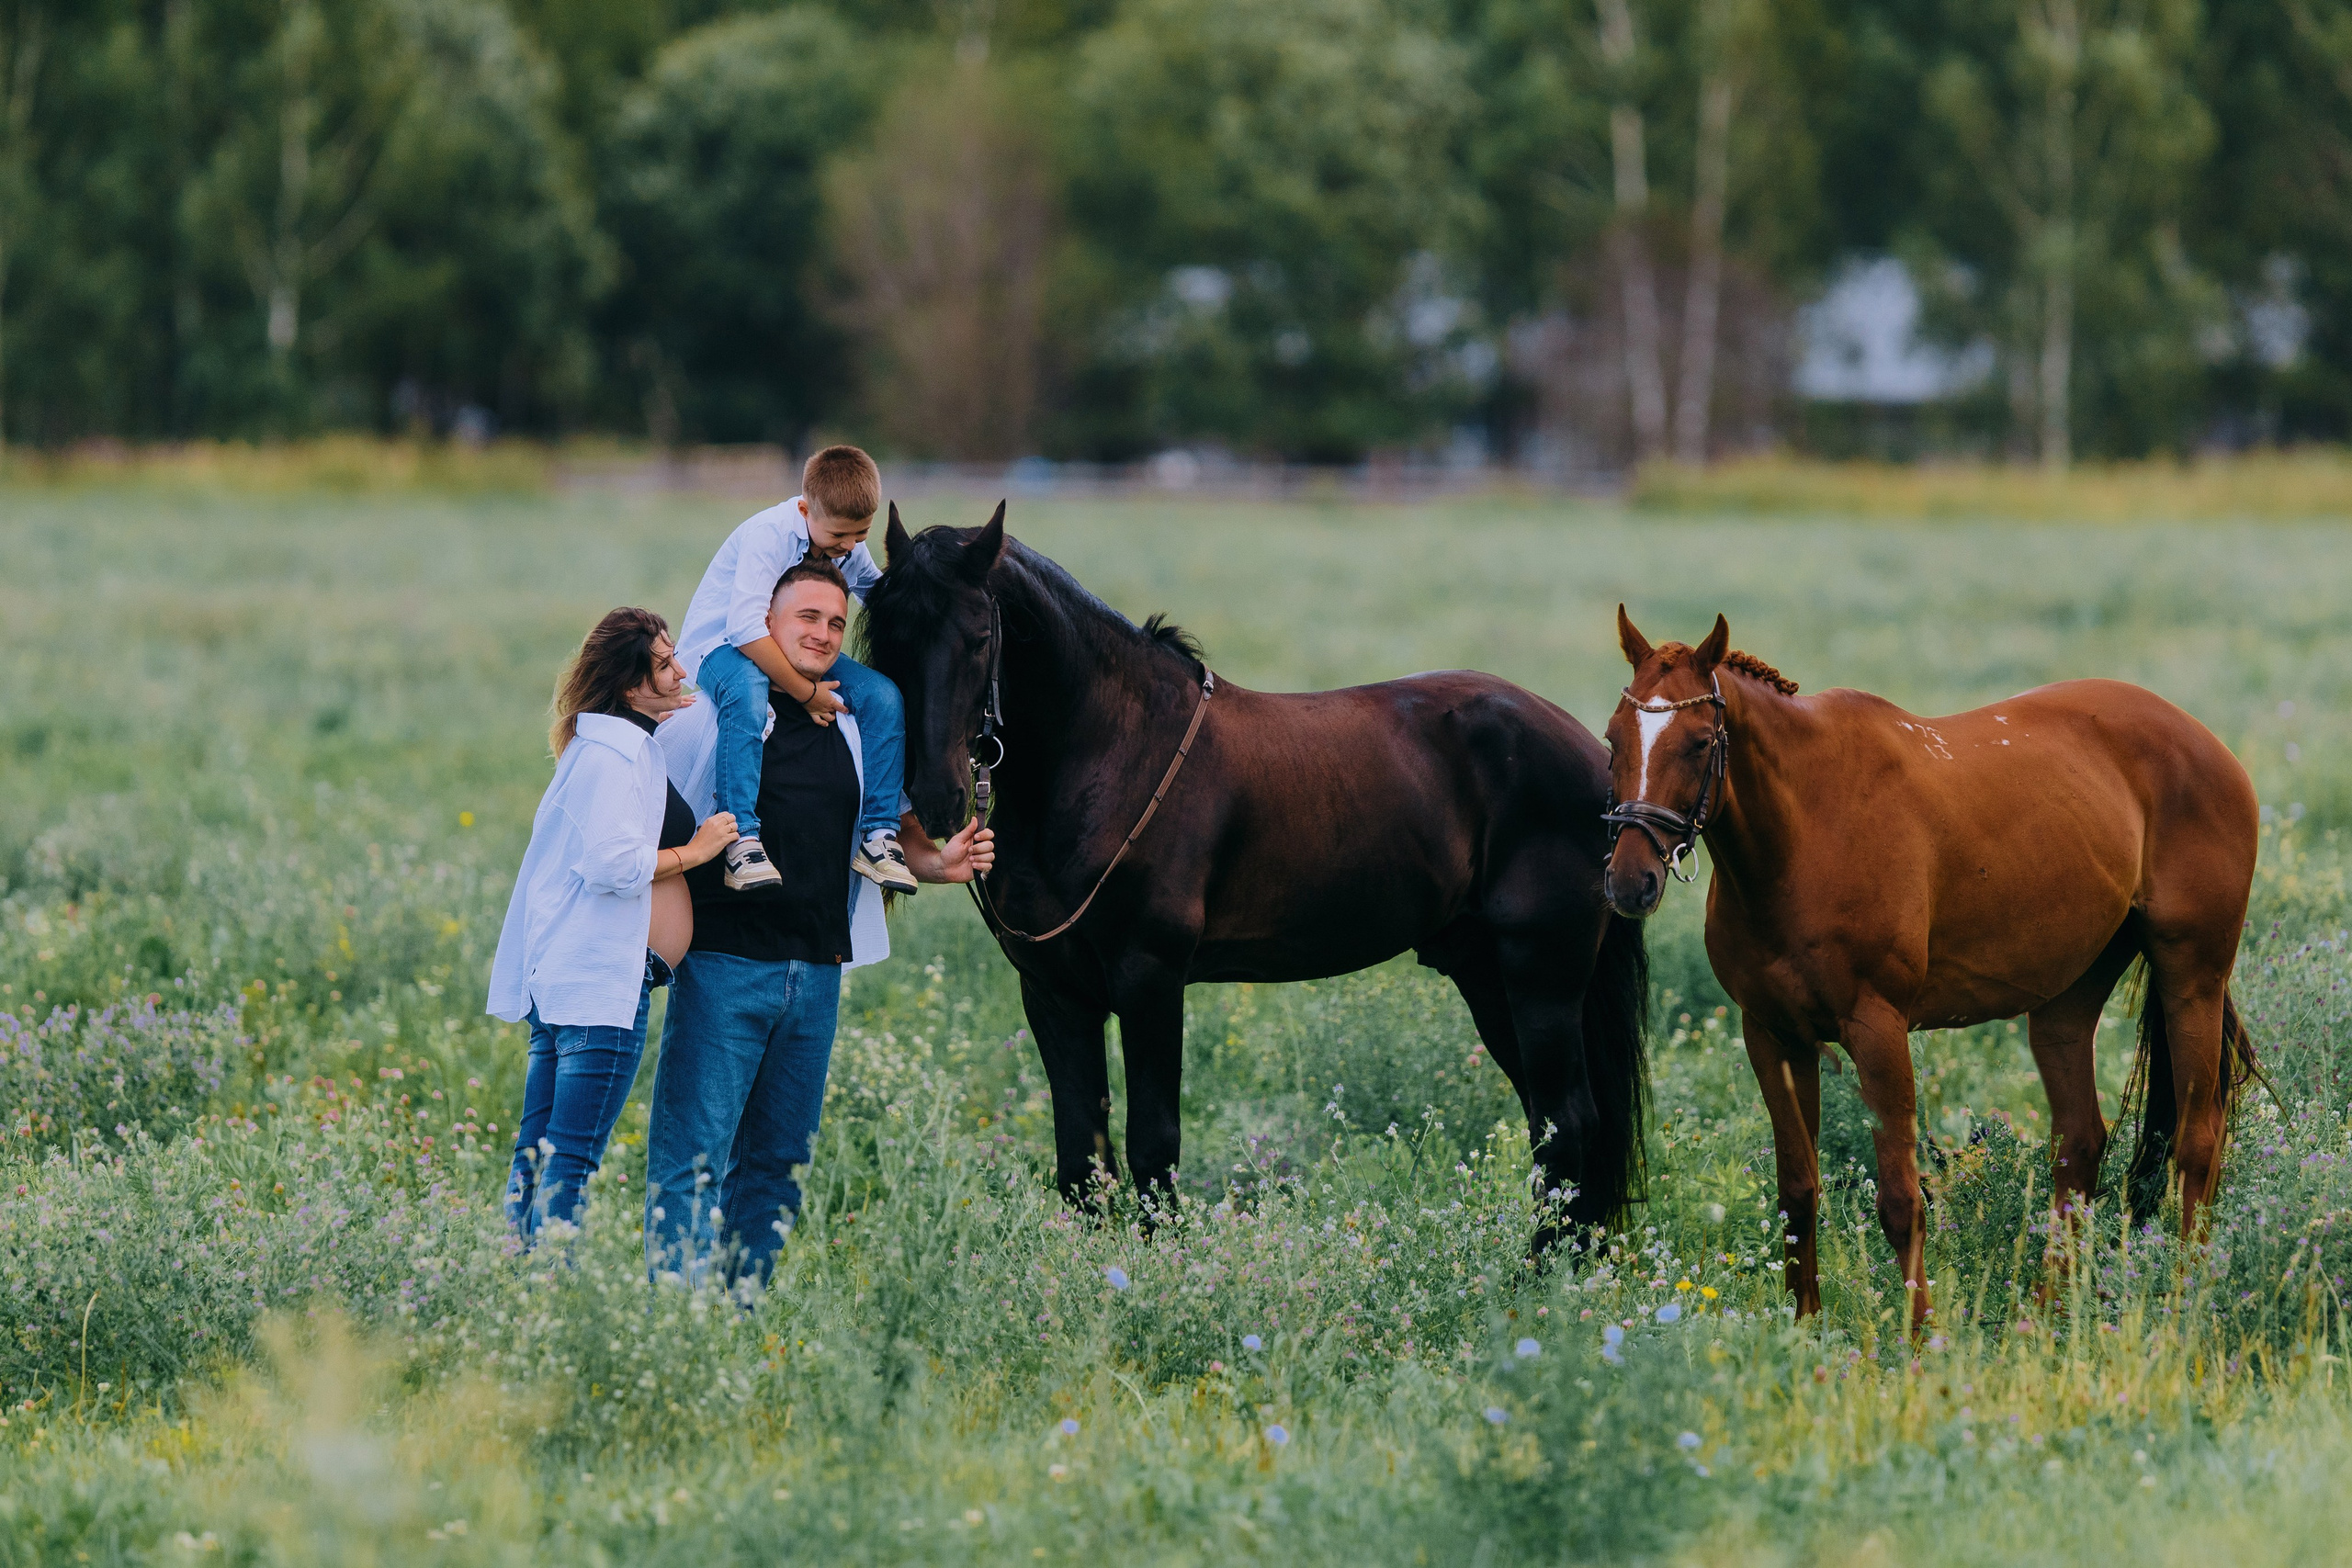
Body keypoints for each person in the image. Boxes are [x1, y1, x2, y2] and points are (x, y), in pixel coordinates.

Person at [644, 557, 994, 1288]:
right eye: (807, 616)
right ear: (766, 624)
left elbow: (885, 835)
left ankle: (738, 1314)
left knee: (777, 1166)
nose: (825, 633)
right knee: (692, 1161)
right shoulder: (716, 716)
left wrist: (940, 862)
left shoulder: (855, 723)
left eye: (837, 621)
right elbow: (638, 815)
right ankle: (678, 1322)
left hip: (817, 976)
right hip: (724, 968)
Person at [487, 608, 739, 1242]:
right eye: (664, 665)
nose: (681, 671)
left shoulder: (608, 747)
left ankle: (514, 1276)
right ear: (630, 686)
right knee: (569, 1162)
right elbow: (610, 864)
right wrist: (697, 851)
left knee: (538, 1153)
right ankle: (548, 1287)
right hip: (600, 989)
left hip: (576, 982)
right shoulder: (614, 756)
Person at [673, 444, 918, 897]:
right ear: (805, 510)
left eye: (861, 535)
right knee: (747, 690)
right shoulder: (770, 535)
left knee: (882, 696)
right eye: (839, 535)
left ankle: (879, 833)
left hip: (792, 643)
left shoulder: (846, 543)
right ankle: (741, 839)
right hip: (721, 646)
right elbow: (745, 629)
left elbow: (882, 597)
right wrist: (806, 693)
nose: (849, 546)